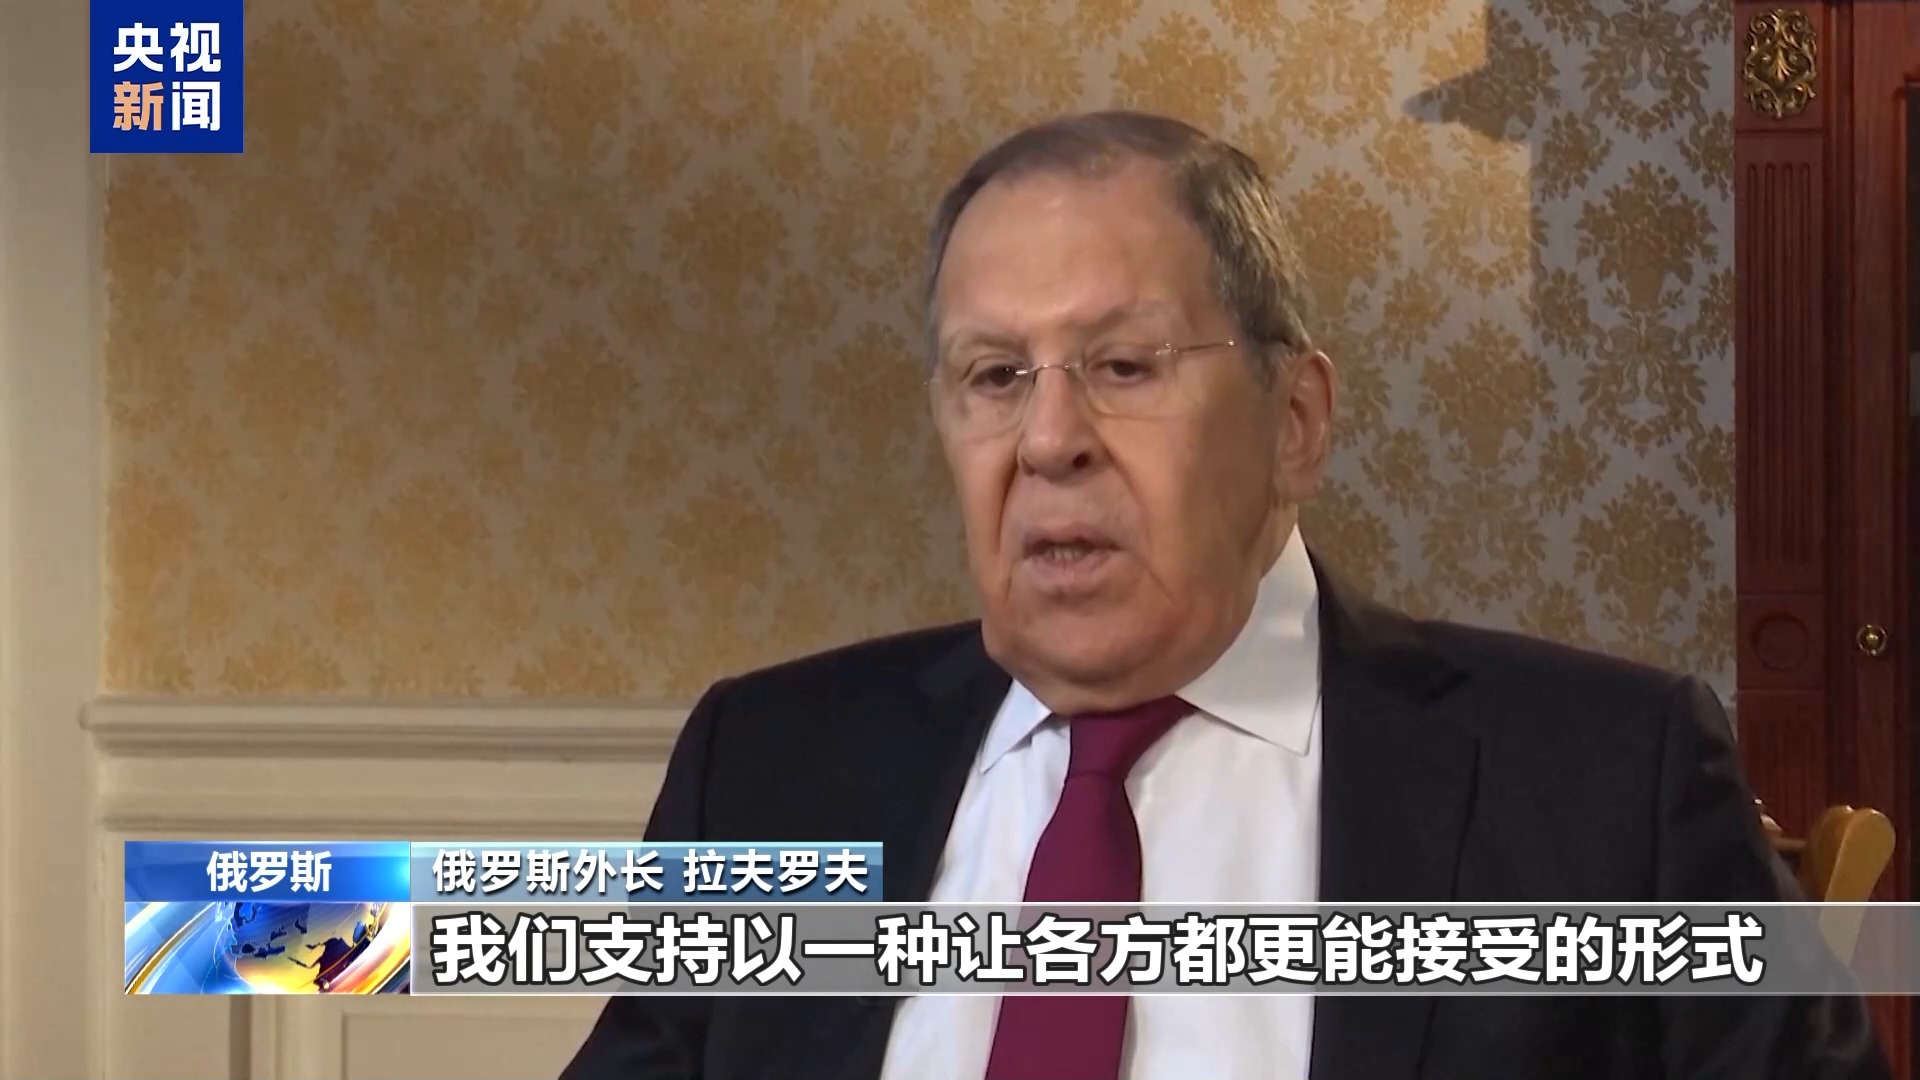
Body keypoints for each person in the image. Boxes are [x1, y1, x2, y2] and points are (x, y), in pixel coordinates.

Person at [562, 110, 1888, 1080]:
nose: (1048, 441)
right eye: (995, 377)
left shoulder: (1606, 785)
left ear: (1295, 422)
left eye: (1125, 366)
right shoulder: (769, 767)